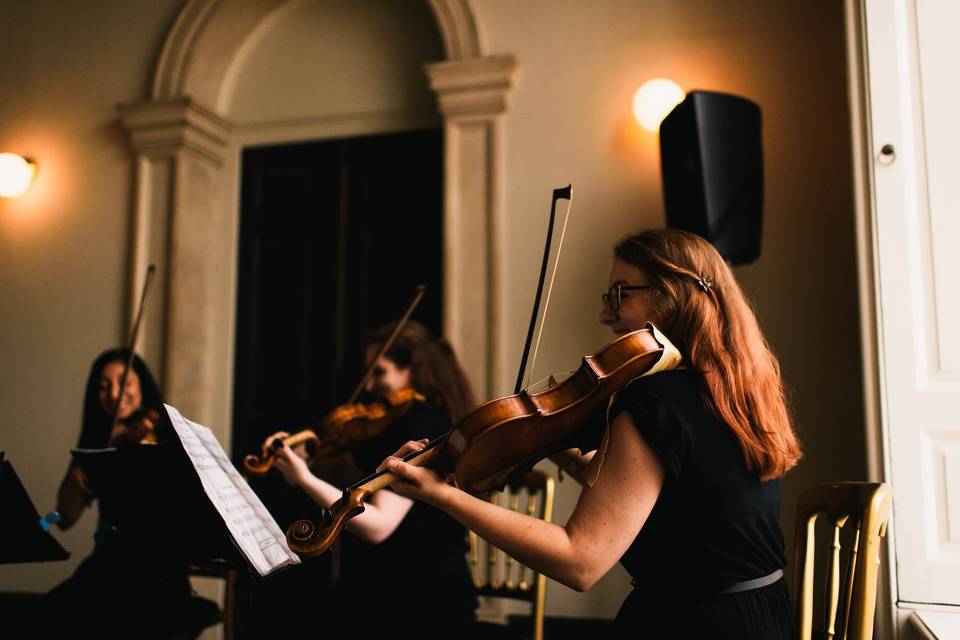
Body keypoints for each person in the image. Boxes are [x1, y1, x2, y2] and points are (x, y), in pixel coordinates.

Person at [381, 229, 802, 639]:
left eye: (621, 293)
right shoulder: (736, 388)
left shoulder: (655, 399)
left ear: (672, 294)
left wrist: (442, 495)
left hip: (694, 621)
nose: (605, 314)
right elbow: (681, 499)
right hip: (764, 613)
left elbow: (580, 561)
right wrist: (553, 443)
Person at [267, 320, 478, 639]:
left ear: (413, 370)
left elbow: (377, 526)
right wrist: (308, 462)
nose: (369, 388)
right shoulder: (389, 428)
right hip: (389, 587)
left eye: (379, 372)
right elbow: (356, 485)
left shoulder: (424, 428)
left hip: (423, 600)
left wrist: (303, 477)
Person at [45, 348, 219, 638]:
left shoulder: (165, 438)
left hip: (160, 573)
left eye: (124, 382)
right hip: (109, 566)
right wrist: (79, 477)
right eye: (104, 386)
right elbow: (63, 519)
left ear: (142, 388)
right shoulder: (100, 444)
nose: (114, 393)